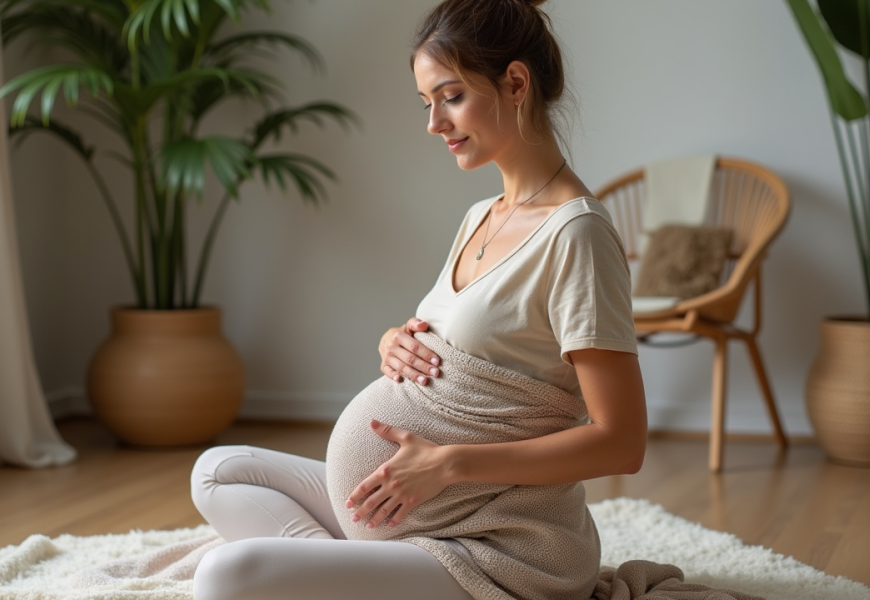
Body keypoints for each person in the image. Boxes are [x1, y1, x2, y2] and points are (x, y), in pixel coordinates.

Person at [191, 0, 647, 598]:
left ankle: (344, 579)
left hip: (495, 545)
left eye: (451, 96)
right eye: (426, 102)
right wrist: (393, 341)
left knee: (227, 576)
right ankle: (357, 578)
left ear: (515, 83)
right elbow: (461, 338)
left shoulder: (577, 235)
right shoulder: (480, 215)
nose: (434, 123)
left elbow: (622, 441)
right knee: (217, 473)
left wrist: (449, 464)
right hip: (408, 513)